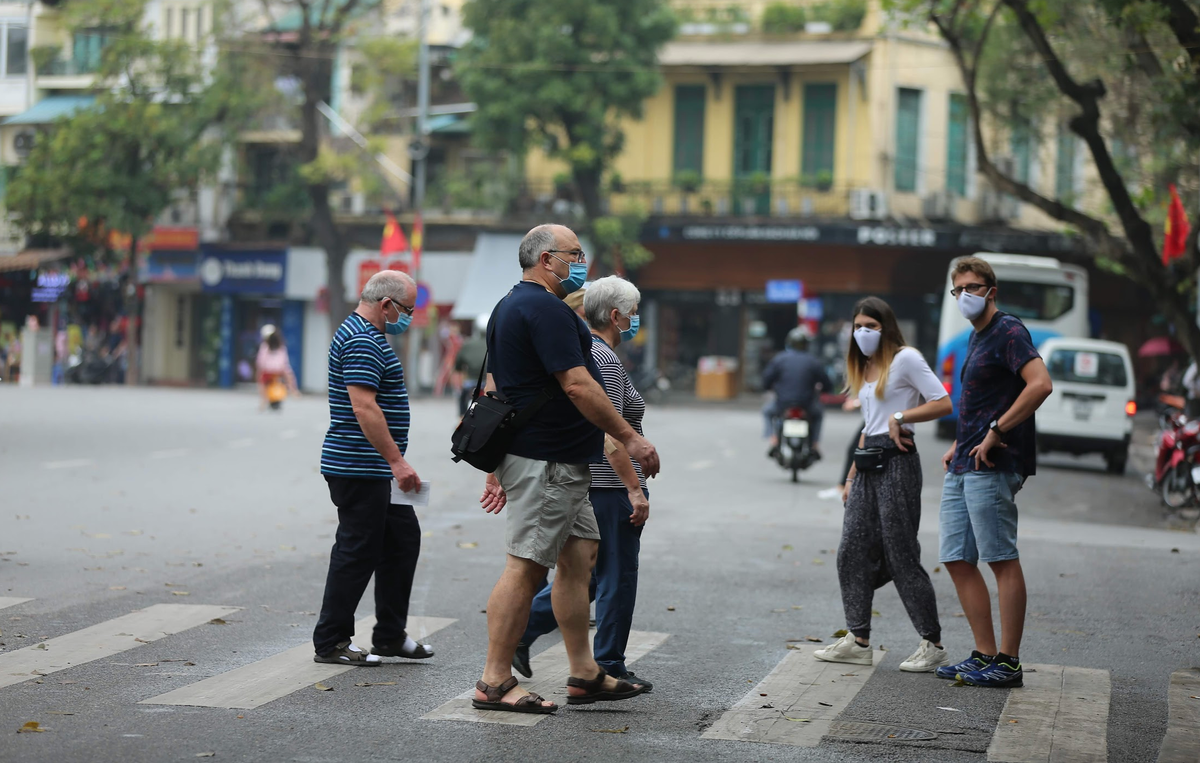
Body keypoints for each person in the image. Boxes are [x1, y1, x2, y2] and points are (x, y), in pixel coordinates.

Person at [472, 224, 661, 715]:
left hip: (561, 461)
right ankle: (494, 680)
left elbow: (496, 385)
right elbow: (577, 384)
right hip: (546, 461)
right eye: (574, 255)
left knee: (579, 559)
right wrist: (630, 438)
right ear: (545, 259)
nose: (581, 263)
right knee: (526, 566)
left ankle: (585, 672)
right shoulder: (545, 309)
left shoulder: (514, 305)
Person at [513, 275, 653, 691]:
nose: (635, 320)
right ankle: (608, 663)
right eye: (633, 313)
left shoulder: (590, 352)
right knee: (617, 576)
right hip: (609, 485)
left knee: (587, 575)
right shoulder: (602, 359)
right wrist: (634, 488)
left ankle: (522, 631)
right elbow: (610, 433)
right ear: (616, 315)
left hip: (597, 482)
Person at [813, 297, 952, 672]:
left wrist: (901, 416)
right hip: (867, 464)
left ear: (885, 327)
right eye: (858, 326)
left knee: (900, 554)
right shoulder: (864, 365)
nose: (863, 333)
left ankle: (933, 643)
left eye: (871, 326)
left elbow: (943, 402)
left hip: (897, 462)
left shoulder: (906, 358)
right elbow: (869, 425)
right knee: (850, 551)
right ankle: (858, 639)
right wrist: (849, 477)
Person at [938, 257, 1053, 688]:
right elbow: (984, 398)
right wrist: (959, 442)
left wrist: (997, 430)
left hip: (994, 462)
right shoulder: (977, 336)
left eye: (972, 287)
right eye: (958, 289)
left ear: (991, 291)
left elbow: (1040, 383)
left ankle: (1008, 661)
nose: (965, 295)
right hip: (965, 461)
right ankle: (984, 653)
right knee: (955, 557)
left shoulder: (1008, 331)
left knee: (1001, 559)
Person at [312, 270, 434, 667]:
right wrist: (396, 461)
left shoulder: (367, 335)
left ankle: (389, 635)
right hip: (360, 466)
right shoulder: (363, 340)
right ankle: (331, 641)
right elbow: (364, 406)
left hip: (374, 467)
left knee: (402, 541)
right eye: (407, 310)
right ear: (386, 305)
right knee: (357, 551)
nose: (408, 317)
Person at [762, 327, 832, 457]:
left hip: (782, 404)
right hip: (807, 404)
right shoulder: (813, 361)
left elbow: (767, 379)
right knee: (818, 415)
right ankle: (815, 444)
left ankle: (773, 439)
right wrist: (824, 390)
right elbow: (826, 383)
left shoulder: (779, 359)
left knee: (767, 412)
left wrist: (768, 387)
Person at [256, 325, 299, 411]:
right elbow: (285, 362)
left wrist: (260, 371)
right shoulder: (281, 347)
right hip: (279, 371)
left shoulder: (264, 347)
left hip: (268, 371)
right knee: (289, 376)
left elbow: (260, 361)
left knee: (261, 381)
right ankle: (294, 391)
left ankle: (263, 400)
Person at [455, 316, 489, 417]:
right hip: (489, 383)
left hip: (470, 383)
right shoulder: (495, 343)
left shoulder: (468, 344)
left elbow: (458, 364)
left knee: (462, 398)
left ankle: (461, 417)